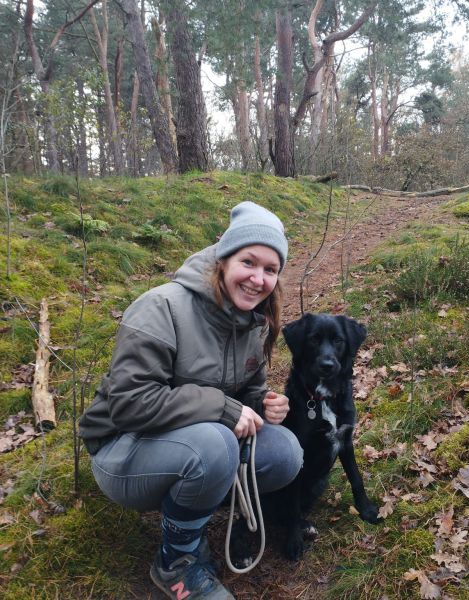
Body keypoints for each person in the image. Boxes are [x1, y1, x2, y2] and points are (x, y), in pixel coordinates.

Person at [79, 201, 303, 600]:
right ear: (223, 257)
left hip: (188, 443)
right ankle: (175, 562)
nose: (258, 279)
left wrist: (264, 403)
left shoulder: (254, 320)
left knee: (285, 453)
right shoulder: (161, 307)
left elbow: (245, 392)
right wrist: (222, 408)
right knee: (214, 445)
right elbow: (130, 405)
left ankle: (189, 515)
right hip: (120, 451)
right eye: (248, 262)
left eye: (271, 270)